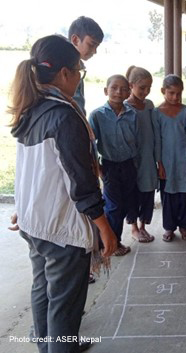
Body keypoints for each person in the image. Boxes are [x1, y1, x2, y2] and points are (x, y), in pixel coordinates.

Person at [9, 34, 116, 353]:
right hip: (60, 228)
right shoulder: (63, 115)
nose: (78, 79)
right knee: (64, 308)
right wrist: (104, 228)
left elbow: (31, 166)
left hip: (34, 221)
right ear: (66, 74)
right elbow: (82, 182)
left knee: (43, 290)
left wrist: (22, 204)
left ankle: (51, 345)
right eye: (79, 72)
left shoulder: (31, 108)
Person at [89, 75, 137, 256]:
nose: (119, 92)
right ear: (105, 90)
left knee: (124, 205)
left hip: (129, 165)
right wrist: (98, 169)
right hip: (109, 166)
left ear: (129, 91)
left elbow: (136, 141)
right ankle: (111, 244)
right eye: (114, 88)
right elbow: (92, 145)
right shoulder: (97, 115)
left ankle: (113, 240)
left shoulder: (132, 114)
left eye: (124, 89)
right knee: (113, 206)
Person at [154, 75, 186, 242]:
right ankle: (169, 227)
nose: (175, 97)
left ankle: (184, 226)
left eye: (179, 93)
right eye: (171, 93)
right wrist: (159, 163)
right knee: (168, 195)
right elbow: (157, 139)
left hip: (183, 159)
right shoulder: (157, 113)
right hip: (166, 161)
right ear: (163, 91)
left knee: (184, 193)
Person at [124, 66, 158, 243]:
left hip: (148, 157)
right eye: (142, 87)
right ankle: (134, 228)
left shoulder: (149, 105)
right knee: (133, 193)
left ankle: (143, 225)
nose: (146, 91)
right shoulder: (124, 106)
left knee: (147, 192)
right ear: (131, 85)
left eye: (149, 88)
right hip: (132, 158)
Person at [68, 16, 104, 114]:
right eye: (91, 45)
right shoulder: (65, 69)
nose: (95, 51)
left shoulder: (79, 67)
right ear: (75, 40)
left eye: (97, 46)